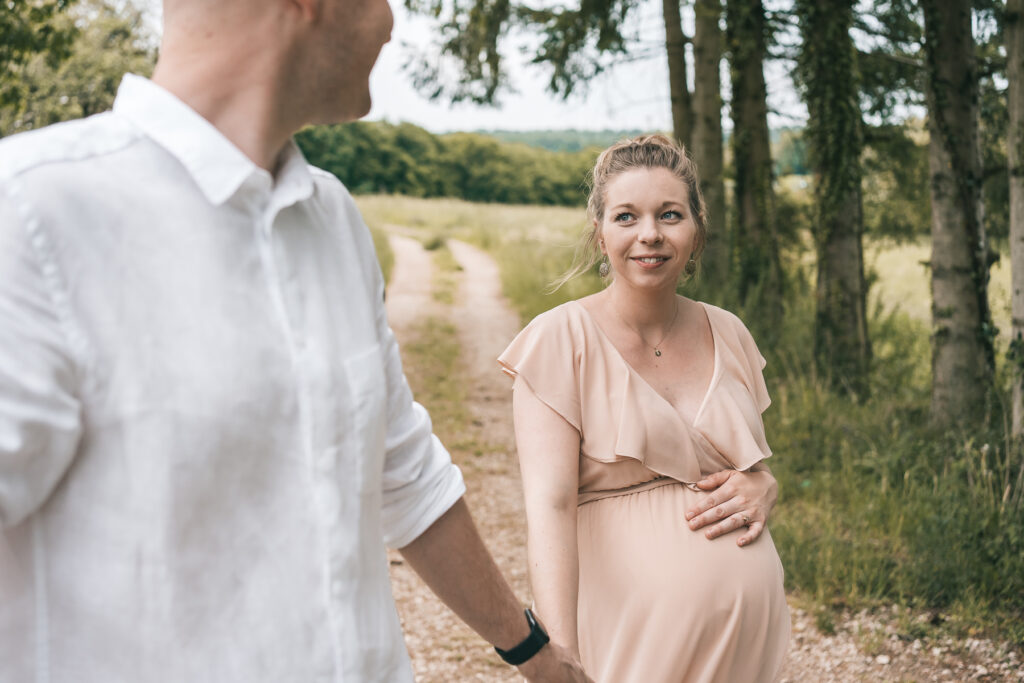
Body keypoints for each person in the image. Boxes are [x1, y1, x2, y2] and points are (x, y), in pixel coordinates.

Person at [0, 0, 590, 681]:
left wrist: (531, 651)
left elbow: (404, 472)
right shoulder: (31, 218)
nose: (393, 21)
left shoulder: (333, 217)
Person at [498, 135, 791, 682]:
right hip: (629, 638)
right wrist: (561, 654)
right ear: (600, 232)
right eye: (627, 216)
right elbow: (550, 508)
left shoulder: (729, 332)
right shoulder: (560, 340)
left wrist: (765, 484)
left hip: (744, 648)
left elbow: (743, 474)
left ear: (696, 230)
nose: (650, 234)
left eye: (670, 214)